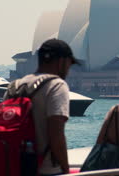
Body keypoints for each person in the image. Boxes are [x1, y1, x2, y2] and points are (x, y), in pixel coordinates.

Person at [5, 38, 79, 175]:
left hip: (13, 167)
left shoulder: (14, 86)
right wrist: (65, 169)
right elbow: (56, 132)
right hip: (45, 169)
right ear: (62, 61)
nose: (69, 69)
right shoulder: (56, 85)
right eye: (70, 63)